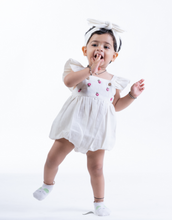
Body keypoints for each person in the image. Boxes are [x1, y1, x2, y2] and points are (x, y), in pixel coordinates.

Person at [33, 18, 145, 216]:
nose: (100, 49)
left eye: (106, 46)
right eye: (94, 44)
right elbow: (68, 82)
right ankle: (47, 184)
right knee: (53, 158)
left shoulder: (113, 82)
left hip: (97, 130)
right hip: (73, 125)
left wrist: (132, 95)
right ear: (85, 50)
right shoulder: (78, 71)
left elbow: (116, 106)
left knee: (97, 168)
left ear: (114, 55)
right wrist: (89, 70)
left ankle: (99, 202)